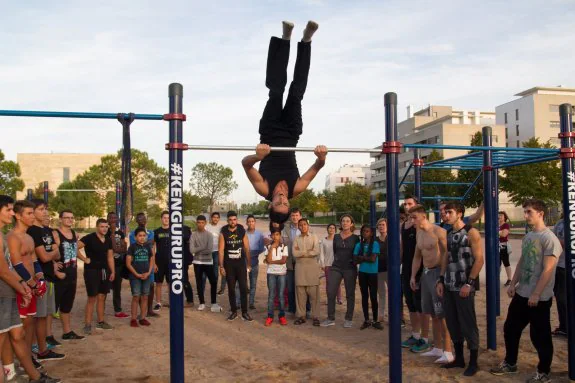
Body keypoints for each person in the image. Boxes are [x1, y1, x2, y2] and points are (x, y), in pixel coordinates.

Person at [242, 20, 327, 225]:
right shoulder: (296, 188)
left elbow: (245, 164)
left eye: (278, 202)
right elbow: (317, 167)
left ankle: (285, 39)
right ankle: (306, 41)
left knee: (276, 91)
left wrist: (257, 156)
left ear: (270, 204)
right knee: (296, 93)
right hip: (291, 133)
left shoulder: (264, 189)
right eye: (285, 203)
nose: (282, 198)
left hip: (269, 132)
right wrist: (321, 157)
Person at [490, 199, 561, 382]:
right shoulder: (529, 236)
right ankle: (510, 362)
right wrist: (513, 283)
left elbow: (548, 269)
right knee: (510, 328)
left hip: (539, 298)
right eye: (525, 212)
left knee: (540, 337)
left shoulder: (549, 239)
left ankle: (543, 372)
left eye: (529, 212)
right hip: (522, 293)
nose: (526, 215)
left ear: (540, 213)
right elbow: (522, 261)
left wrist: (537, 293)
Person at [0, 197, 60, 383]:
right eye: (8, 210)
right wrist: (26, 286)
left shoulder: (9, 236)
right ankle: (9, 372)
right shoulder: (9, 237)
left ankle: (31, 375)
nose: (11, 213)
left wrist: (33, 280)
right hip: (6, 293)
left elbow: (27, 262)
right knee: (7, 336)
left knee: (18, 333)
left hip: (11, 291)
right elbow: (6, 269)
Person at [437, 202, 484, 376]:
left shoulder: (471, 232)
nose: (445, 215)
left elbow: (479, 259)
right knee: (452, 322)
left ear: (460, 213)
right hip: (449, 284)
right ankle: (459, 358)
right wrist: (440, 280)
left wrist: (470, 283)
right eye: (445, 212)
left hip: (464, 286)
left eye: (449, 212)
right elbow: (445, 258)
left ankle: (473, 362)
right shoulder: (448, 233)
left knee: (468, 323)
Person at [408, 205, 453, 363]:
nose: (411, 221)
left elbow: (447, 255)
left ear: (423, 216)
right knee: (432, 314)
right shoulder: (419, 233)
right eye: (410, 218)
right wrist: (413, 276)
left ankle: (448, 351)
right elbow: (417, 256)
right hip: (426, 274)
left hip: (437, 273)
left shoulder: (438, 232)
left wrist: (441, 277)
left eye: (414, 217)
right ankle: (438, 348)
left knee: (442, 315)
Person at [26, 199, 64, 361]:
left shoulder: (47, 230)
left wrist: (53, 253)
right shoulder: (33, 231)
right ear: (33, 212)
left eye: (46, 209)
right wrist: (53, 252)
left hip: (50, 276)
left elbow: (58, 253)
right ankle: (39, 350)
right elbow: (43, 256)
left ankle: (42, 349)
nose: (45, 212)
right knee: (38, 317)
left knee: (45, 315)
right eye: (41, 209)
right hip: (40, 277)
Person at [401, 196, 430, 350]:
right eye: (405, 204)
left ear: (417, 205)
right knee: (411, 304)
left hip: (419, 269)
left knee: (421, 305)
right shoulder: (404, 225)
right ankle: (415, 334)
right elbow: (402, 247)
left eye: (410, 203)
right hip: (406, 268)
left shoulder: (419, 225)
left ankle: (424, 339)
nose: (406, 206)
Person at [52, 210, 86, 341]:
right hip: (59, 276)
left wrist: (84, 259)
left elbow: (74, 250)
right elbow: (47, 253)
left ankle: (67, 332)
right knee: (52, 308)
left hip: (72, 274)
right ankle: (48, 336)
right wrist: (55, 270)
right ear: (60, 219)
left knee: (67, 306)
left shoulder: (74, 234)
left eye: (72, 218)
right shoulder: (55, 234)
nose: (70, 220)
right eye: (66, 218)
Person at [321, 214, 359, 328]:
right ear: (341, 223)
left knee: (350, 294)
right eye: (343, 221)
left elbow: (357, 253)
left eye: (348, 221)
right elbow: (335, 251)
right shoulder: (336, 237)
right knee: (331, 291)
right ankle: (330, 318)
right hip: (336, 267)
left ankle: (348, 319)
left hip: (350, 268)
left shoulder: (356, 238)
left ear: (351, 224)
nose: (345, 223)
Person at [79, 218, 115, 334]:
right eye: (102, 226)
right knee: (92, 297)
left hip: (104, 271)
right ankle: (87, 324)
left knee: (102, 297)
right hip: (91, 271)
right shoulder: (89, 238)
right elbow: (73, 247)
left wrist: (112, 271)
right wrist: (84, 259)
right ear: (97, 227)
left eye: (106, 227)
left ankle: (101, 321)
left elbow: (110, 257)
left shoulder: (108, 240)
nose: (104, 229)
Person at [218, 211, 252, 322]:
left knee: (243, 288)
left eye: (234, 219)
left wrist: (249, 263)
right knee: (231, 289)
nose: (233, 221)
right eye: (230, 220)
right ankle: (233, 311)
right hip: (229, 265)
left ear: (236, 220)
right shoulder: (223, 231)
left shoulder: (241, 230)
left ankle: (245, 312)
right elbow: (221, 250)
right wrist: (221, 266)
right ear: (227, 220)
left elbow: (247, 248)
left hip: (241, 264)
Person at [292, 218, 321, 326]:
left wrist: (301, 253)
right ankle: (301, 316)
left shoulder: (314, 237)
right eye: (300, 225)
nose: (303, 226)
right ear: (298, 227)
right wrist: (307, 252)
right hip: (300, 269)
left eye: (304, 224)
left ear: (308, 225)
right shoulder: (296, 238)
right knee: (300, 295)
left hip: (312, 269)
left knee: (314, 295)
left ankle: (316, 316)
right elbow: (294, 253)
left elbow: (316, 251)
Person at [129, 213, 157, 318]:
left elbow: (152, 249)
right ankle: (141, 312)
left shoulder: (151, 232)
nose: (141, 220)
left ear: (146, 220)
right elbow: (137, 244)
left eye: (143, 218)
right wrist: (149, 242)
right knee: (139, 290)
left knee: (150, 286)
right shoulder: (133, 234)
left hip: (149, 264)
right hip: (138, 264)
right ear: (136, 220)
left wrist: (154, 263)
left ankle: (149, 310)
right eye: (139, 218)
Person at [191, 215, 221, 312]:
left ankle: (213, 302)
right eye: (198, 222)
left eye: (202, 222)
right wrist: (203, 247)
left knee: (213, 281)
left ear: (205, 223)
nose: (200, 224)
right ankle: (201, 303)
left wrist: (198, 250)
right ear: (196, 223)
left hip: (208, 261)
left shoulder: (209, 235)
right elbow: (191, 250)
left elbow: (209, 250)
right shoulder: (193, 235)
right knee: (199, 282)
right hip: (197, 262)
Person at [354, 225, 382, 330]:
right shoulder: (359, 245)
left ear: (371, 233)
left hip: (372, 273)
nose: (365, 233)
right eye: (363, 231)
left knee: (373, 296)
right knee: (364, 296)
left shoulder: (375, 244)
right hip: (362, 273)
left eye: (367, 231)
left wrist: (362, 257)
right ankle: (366, 319)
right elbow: (355, 260)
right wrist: (365, 258)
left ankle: (375, 320)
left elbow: (373, 259)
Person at [126, 228, 155, 328]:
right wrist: (136, 274)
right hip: (135, 277)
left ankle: (142, 317)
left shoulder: (148, 247)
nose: (142, 238)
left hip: (146, 275)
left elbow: (151, 260)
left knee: (145, 296)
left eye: (144, 235)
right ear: (135, 237)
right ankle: (133, 319)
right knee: (136, 296)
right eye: (140, 235)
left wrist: (148, 272)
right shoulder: (132, 247)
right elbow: (128, 263)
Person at [263, 227, 289, 326]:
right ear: (271, 236)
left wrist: (272, 262)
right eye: (273, 235)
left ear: (280, 235)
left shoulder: (284, 246)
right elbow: (268, 259)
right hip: (271, 273)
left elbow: (283, 261)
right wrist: (272, 248)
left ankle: (282, 316)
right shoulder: (268, 246)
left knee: (281, 295)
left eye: (277, 234)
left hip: (282, 273)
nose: (275, 236)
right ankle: (270, 316)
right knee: (271, 295)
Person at [105, 212, 129, 319]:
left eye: (115, 218)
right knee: (104, 288)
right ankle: (101, 310)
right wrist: (113, 234)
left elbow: (124, 248)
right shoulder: (104, 231)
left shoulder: (121, 232)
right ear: (107, 219)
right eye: (111, 218)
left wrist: (118, 249)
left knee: (117, 288)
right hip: (106, 264)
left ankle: (118, 310)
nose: (113, 219)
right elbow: (111, 248)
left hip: (118, 264)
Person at [282, 208, 301, 314]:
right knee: (290, 287)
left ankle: (302, 308)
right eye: (293, 215)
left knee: (301, 287)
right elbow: (281, 241)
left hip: (301, 262)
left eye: (296, 215)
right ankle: (291, 308)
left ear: (300, 216)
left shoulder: (305, 229)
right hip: (289, 262)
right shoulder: (285, 229)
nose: (295, 217)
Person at [552, 216, 567, 337]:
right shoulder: (560, 222)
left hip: (569, 265)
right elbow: (553, 240)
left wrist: (558, 241)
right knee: (560, 297)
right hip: (560, 266)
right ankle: (564, 326)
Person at [319, 223, 341, 305]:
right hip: (327, 264)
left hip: (336, 264)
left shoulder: (338, 240)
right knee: (329, 283)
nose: (331, 229)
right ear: (327, 229)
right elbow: (321, 253)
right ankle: (329, 299)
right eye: (330, 228)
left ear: (335, 230)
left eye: (333, 228)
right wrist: (322, 264)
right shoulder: (323, 240)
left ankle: (339, 298)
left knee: (337, 282)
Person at [246, 215, 264, 310]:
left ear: (255, 222)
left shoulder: (259, 234)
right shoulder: (243, 234)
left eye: (252, 221)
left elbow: (261, 248)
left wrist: (252, 253)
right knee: (241, 284)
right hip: (244, 263)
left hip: (254, 263)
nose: (251, 223)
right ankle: (238, 302)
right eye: (249, 221)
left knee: (253, 284)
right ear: (247, 223)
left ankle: (251, 303)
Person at [153, 211, 170, 311]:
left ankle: (171, 302)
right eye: (164, 217)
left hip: (171, 261)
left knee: (170, 283)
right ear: (161, 219)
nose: (166, 219)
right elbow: (153, 248)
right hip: (159, 261)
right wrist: (154, 263)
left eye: (168, 218)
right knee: (158, 283)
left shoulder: (173, 231)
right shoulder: (157, 232)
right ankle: (158, 303)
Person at [205, 212, 224, 295]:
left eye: (217, 217)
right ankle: (201, 290)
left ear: (219, 219)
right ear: (211, 218)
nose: (215, 219)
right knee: (204, 272)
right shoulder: (207, 227)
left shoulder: (221, 228)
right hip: (207, 252)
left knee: (215, 272)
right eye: (214, 217)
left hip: (217, 252)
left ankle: (214, 288)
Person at [375, 218, 388, 324]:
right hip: (379, 269)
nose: (381, 226)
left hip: (390, 270)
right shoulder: (375, 240)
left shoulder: (391, 238)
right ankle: (381, 315)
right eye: (379, 225)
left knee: (393, 293)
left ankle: (393, 314)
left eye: (383, 224)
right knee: (381, 293)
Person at [499, 211, 513, 286]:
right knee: (497, 264)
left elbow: (504, 234)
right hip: (496, 246)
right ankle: (496, 278)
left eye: (501, 215)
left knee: (506, 263)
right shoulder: (496, 224)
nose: (499, 217)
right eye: (498, 215)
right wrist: (500, 232)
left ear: (504, 217)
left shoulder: (506, 225)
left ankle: (509, 279)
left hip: (503, 246)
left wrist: (498, 232)